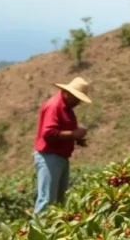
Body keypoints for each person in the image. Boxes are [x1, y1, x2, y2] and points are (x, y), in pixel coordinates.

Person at [33, 77, 92, 213]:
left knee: (59, 202)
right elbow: (48, 133)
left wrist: (77, 138)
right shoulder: (54, 106)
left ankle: (53, 232)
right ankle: (36, 232)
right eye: (77, 98)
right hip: (50, 157)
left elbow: (61, 131)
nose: (78, 102)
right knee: (47, 200)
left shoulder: (67, 108)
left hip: (60, 157)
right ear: (68, 93)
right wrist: (74, 134)